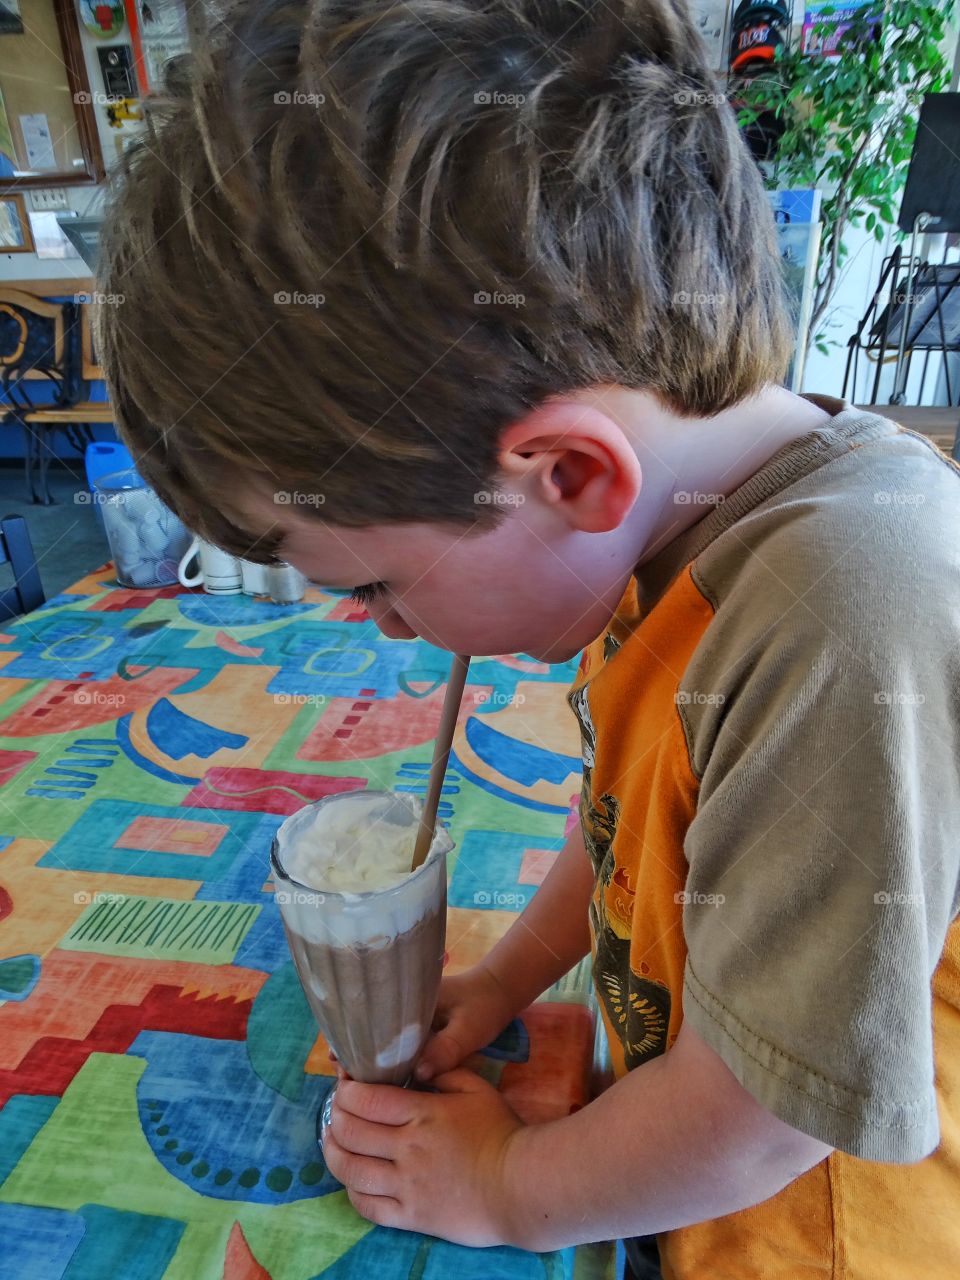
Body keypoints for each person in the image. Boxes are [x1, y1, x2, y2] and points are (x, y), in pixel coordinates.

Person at [94, 1, 960, 1275]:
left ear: (564, 472)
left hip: (817, 1237)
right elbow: (624, 822)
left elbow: (765, 1112)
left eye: (380, 586)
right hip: (677, 1171)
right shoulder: (662, 527)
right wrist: (506, 974)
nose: (378, 623)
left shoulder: (845, 613)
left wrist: (509, 1185)